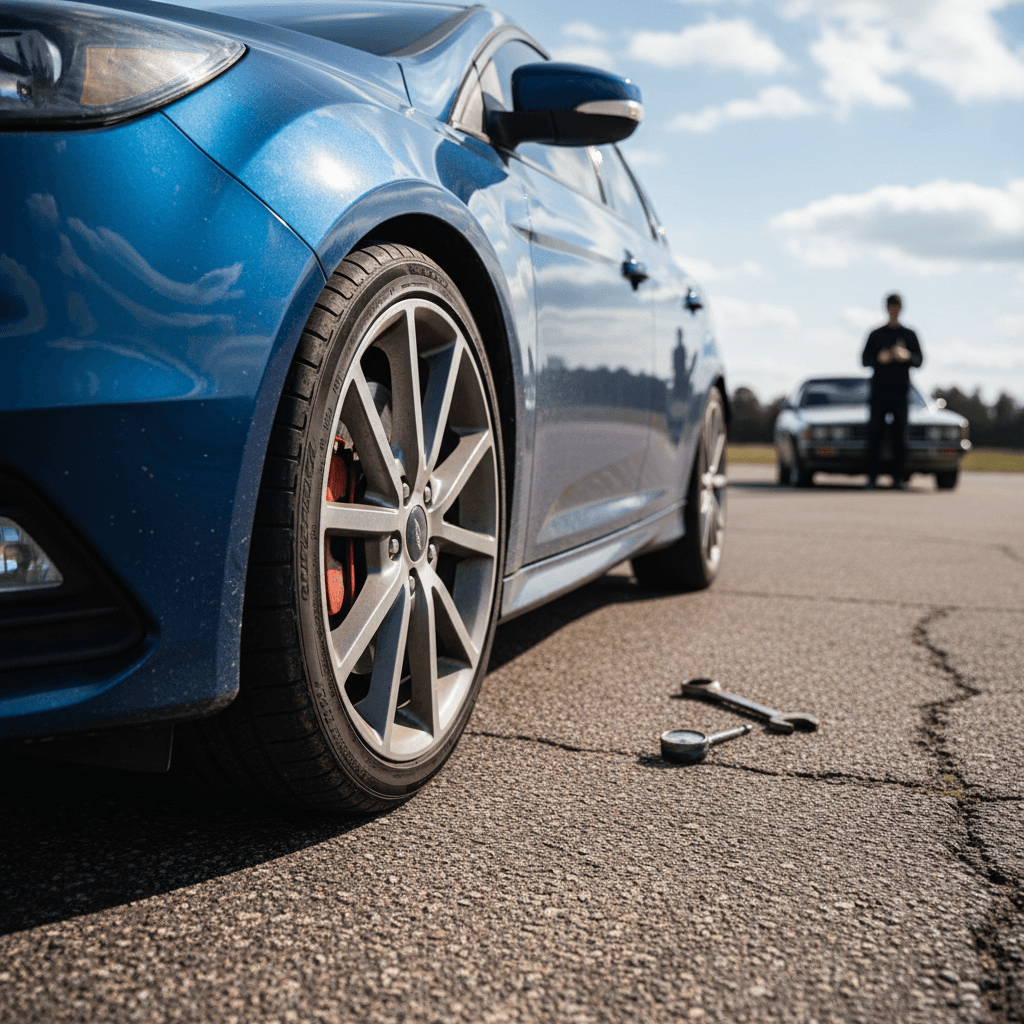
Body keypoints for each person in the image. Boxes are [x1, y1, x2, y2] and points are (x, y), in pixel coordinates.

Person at [861, 293, 923, 489]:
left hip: (900, 393)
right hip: (879, 392)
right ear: (886, 308)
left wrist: (906, 356)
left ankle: (898, 478)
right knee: (874, 435)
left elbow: (919, 360)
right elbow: (864, 360)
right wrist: (880, 358)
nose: (893, 310)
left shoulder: (909, 334)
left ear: (901, 309)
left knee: (900, 437)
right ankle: (872, 477)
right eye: (891, 307)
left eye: (896, 307)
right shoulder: (876, 334)